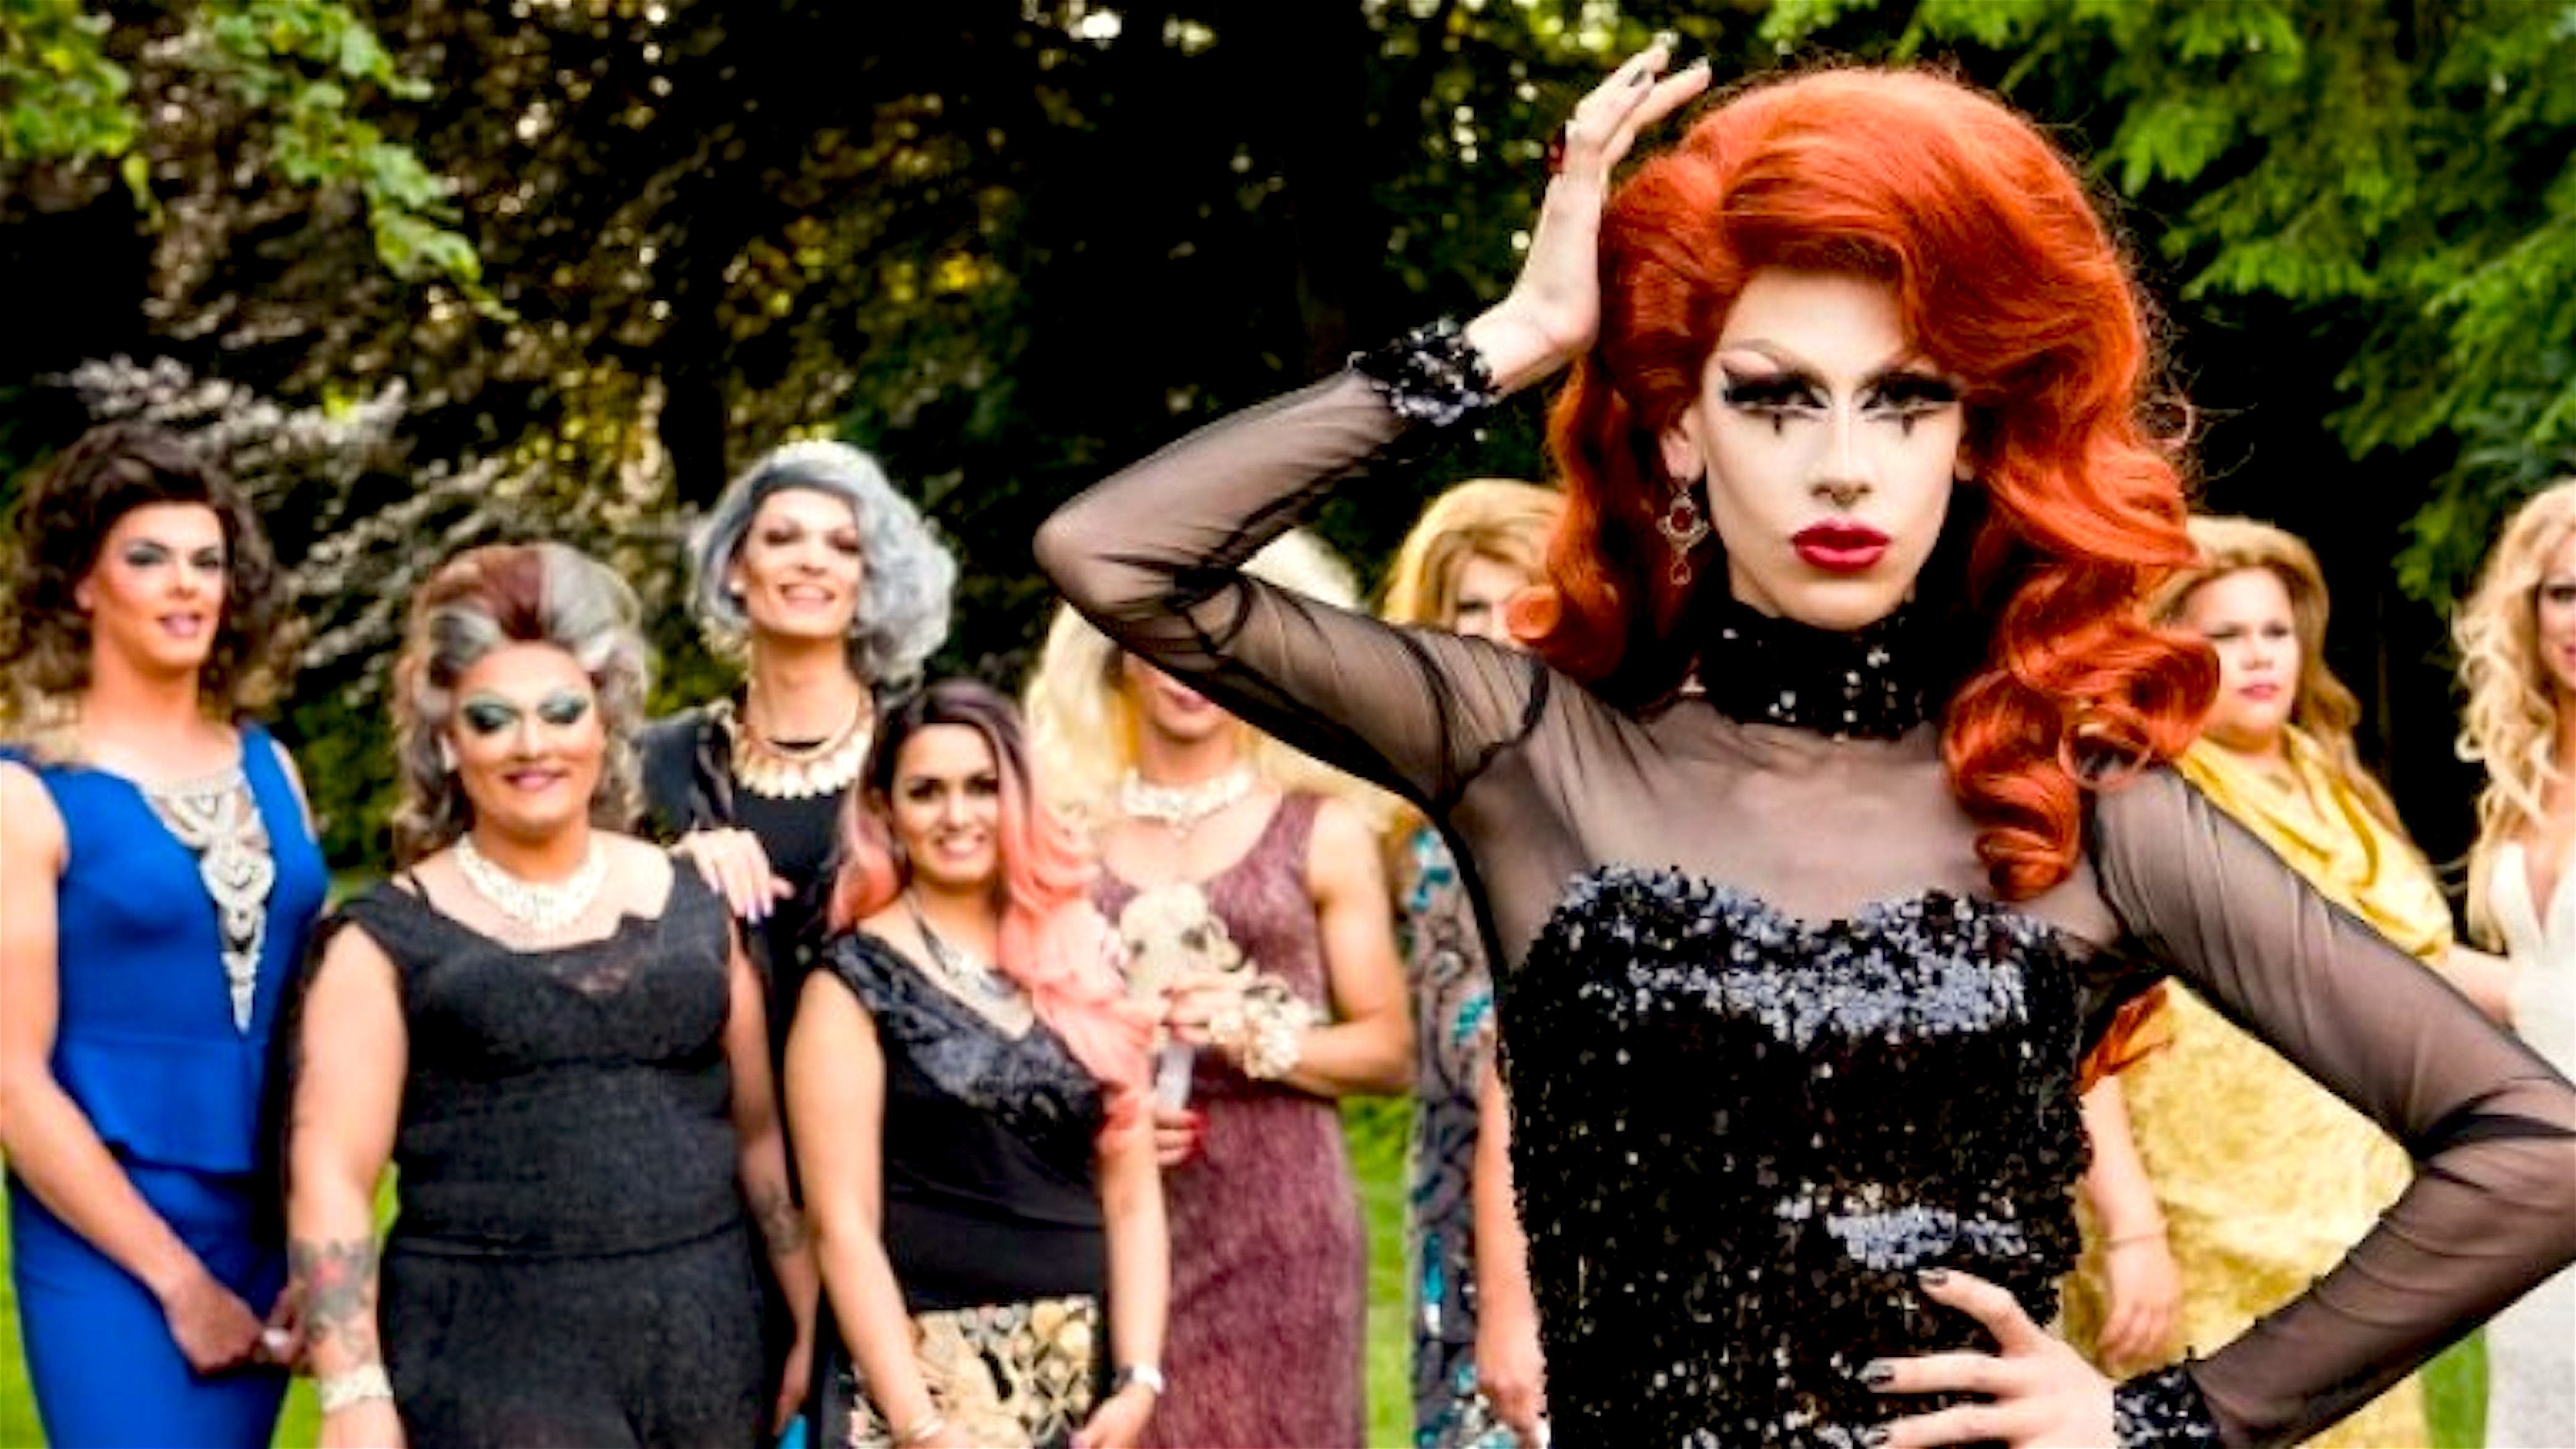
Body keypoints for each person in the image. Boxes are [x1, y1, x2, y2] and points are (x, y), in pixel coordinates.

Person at [1033, 42, 2576, 1449]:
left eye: (1903, 400)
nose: (1844, 467)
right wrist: (1517, 337)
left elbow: (2536, 1151)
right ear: (1680, 426)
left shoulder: (2077, 808)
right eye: (1777, 399)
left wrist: (2160, 1425)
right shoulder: (1532, 751)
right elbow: (1117, 558)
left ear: (1969, 439)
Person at [285, 541, 816, 1448]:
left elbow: (761, 1141)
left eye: (562, 712)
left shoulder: (697, 908)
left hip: (714, 1353)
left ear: (604, 725)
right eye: (493, 720)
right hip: (492, 1366)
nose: (533, 745)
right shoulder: (384, 940)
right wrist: (353, 1392)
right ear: (447, 742)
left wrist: (809, 1322)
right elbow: (333, 1175)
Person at [2064, 514, 2511, 1447]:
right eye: (2225, 634)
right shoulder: (2141, 791)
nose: (2260, 654)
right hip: (2196, 1219)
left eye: (2275, 630)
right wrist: (2134, 1227)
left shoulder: (2330, 782)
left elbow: (2421, 967)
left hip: (2349, 1222)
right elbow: (2075, 1028)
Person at [1025, 528, 1412, 1449]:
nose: (1189, 665)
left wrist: (1256, 1034)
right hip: (1108, 1206)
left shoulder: (1323, 828)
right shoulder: (1063, 835)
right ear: (1119, 652)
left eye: (1219, 633)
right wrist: (1094, 1108)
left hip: (1284, 1218)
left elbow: (1391, 1051)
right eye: (1165, 634)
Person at [0, 422, 328, 1448]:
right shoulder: (25, 794)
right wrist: (178, 1283)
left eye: (208, 561)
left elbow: (327, 1025)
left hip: (267, 1220)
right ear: (81, 585)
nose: (187, 585)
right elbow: (10, 1079)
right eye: (148, 558)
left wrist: (322, 1244)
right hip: (107, 1233)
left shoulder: (274, 767)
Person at [787, 680, 1167, 1449]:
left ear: (1018, 796)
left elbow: (1132, 1198)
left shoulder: (1082, 958)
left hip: (1081, 1383)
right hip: (921, 1384)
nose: (957, 815)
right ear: (886, 810)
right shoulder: (851, 984)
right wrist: (921, 1424)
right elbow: (842, 1226)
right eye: (926, 792)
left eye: (983, 787)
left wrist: (1138, 1381)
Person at [642, 438, 958, 1078]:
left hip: (910, 1114)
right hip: (707, 1112)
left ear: (869, 581)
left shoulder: (930, 755)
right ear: (735, 567)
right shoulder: (658, 763)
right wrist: (664, 877)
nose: (813, 561)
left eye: (844, 546)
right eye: (783, 538)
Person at [1376, 478, 1563, 1449]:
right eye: (1470, 609)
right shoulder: (1429, 795)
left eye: (1522, 604)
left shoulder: (1568, 792)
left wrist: (1511, 1296)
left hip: (1547, 1200)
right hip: (1444, 1183)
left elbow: (1522, 1065)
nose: (1495, 634)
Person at [2455, 478, 2576, 1449]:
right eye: (2564, 592)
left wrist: (2516, 992)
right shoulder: (2523, 775)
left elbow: (2509, 986)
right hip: (2534, 1172)